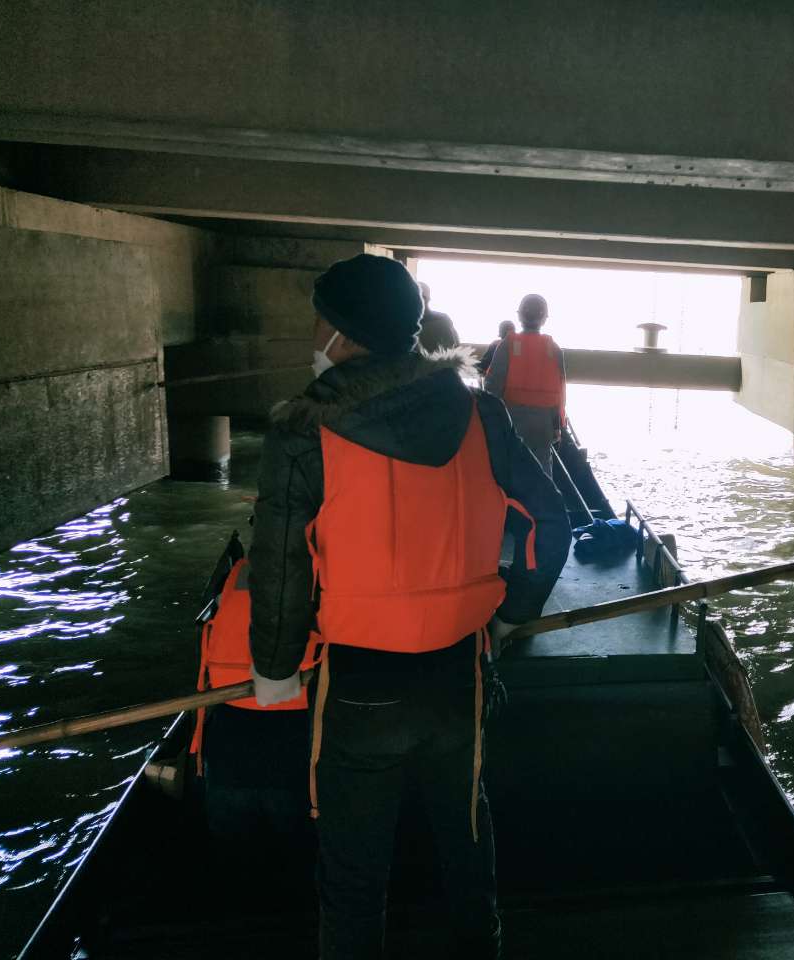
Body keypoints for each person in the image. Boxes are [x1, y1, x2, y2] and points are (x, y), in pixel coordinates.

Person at [247, 254, 570, 960]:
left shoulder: (304, 432)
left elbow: (279, 566)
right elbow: (553, 523)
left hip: (360, 687)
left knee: (354, 880)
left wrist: (273, 671)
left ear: (339, 333)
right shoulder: (482, 412)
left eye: (320, 321)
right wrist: (513, 613)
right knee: (467, 853)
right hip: (460, 675)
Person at [484, 294, 566, 477]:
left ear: (520, 316)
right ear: (544, 318)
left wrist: (491, 422)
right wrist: (557, 427)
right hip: (543, 425)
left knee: (512, 472)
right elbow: (560, 393)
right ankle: (543, 503)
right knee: (543, 473)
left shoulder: (508, 345)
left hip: (513, 421)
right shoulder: (554, 349)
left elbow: (492, 386)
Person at [416, 280, 461, 354]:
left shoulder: (443, 319)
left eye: (422, 297)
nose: (420, 300)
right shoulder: (407, 323)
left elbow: (455, 347)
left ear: (428, 299)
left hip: (442, 363)